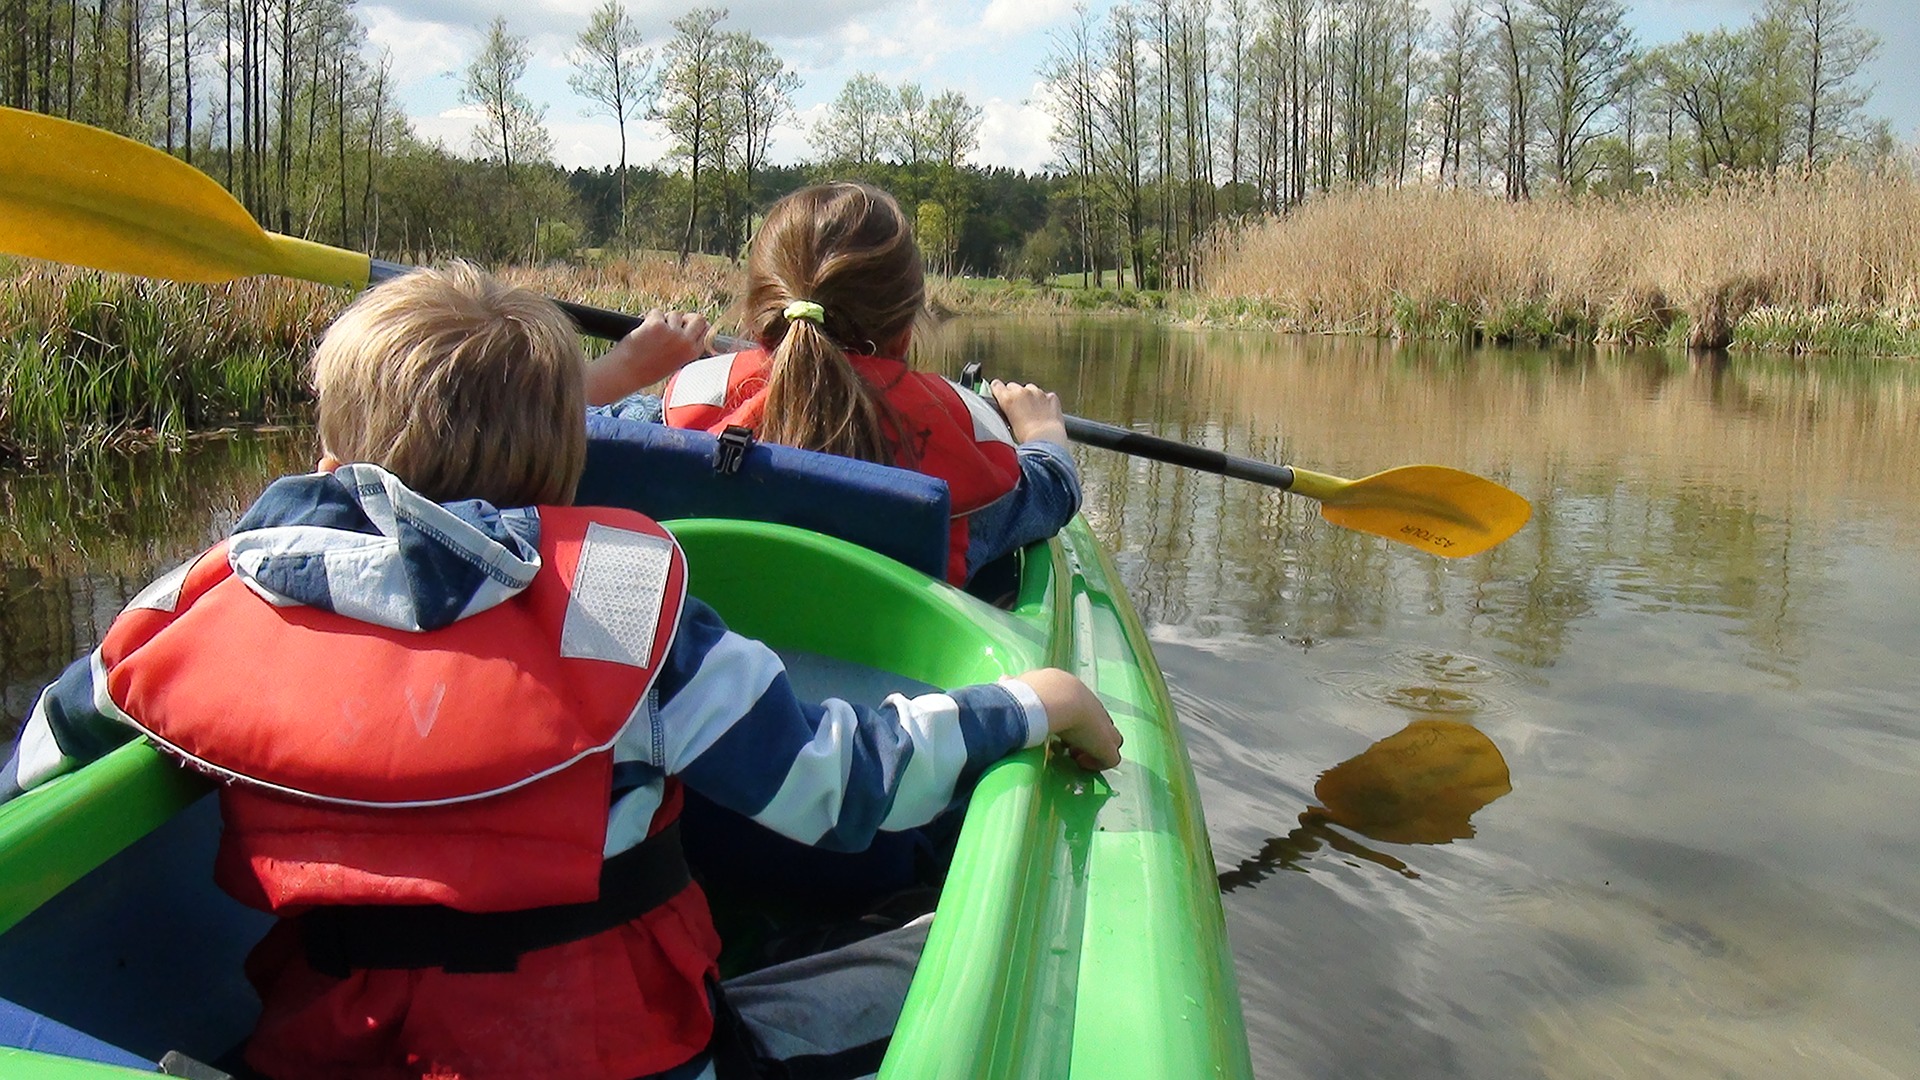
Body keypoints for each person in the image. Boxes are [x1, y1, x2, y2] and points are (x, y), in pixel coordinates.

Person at [0, 263, 1122, 1080]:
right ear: (571, 458)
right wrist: (1027, 703)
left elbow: (40, 764)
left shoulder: (195, 601)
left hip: (329, 1059)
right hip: (615, 1062)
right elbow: (837, 794)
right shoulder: (620, 599)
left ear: (330, 458)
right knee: (914, 968)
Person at [651, 182, 1081, 587]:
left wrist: (641, 368)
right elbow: (1051, 492)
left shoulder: (669, 422)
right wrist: (1043, 433)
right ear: (906, 332)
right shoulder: (973, 478)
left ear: (758, 319)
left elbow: (590, 424)